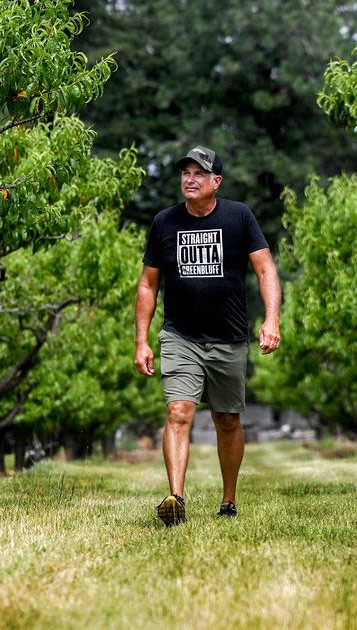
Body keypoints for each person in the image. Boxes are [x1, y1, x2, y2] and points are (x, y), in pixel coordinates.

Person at [134, 145, 281, 527]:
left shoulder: (239, 217)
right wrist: (142, 340)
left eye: (199, 173)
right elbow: (148, 285)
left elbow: (265, 270)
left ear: (216, 181)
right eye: (185, 172)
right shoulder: (164, 223)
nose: (190, 179)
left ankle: (228, 500)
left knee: (227, 420)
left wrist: (271, 320)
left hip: (229, 337)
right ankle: (176, 499)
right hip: (180, 335)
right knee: (178, 412)